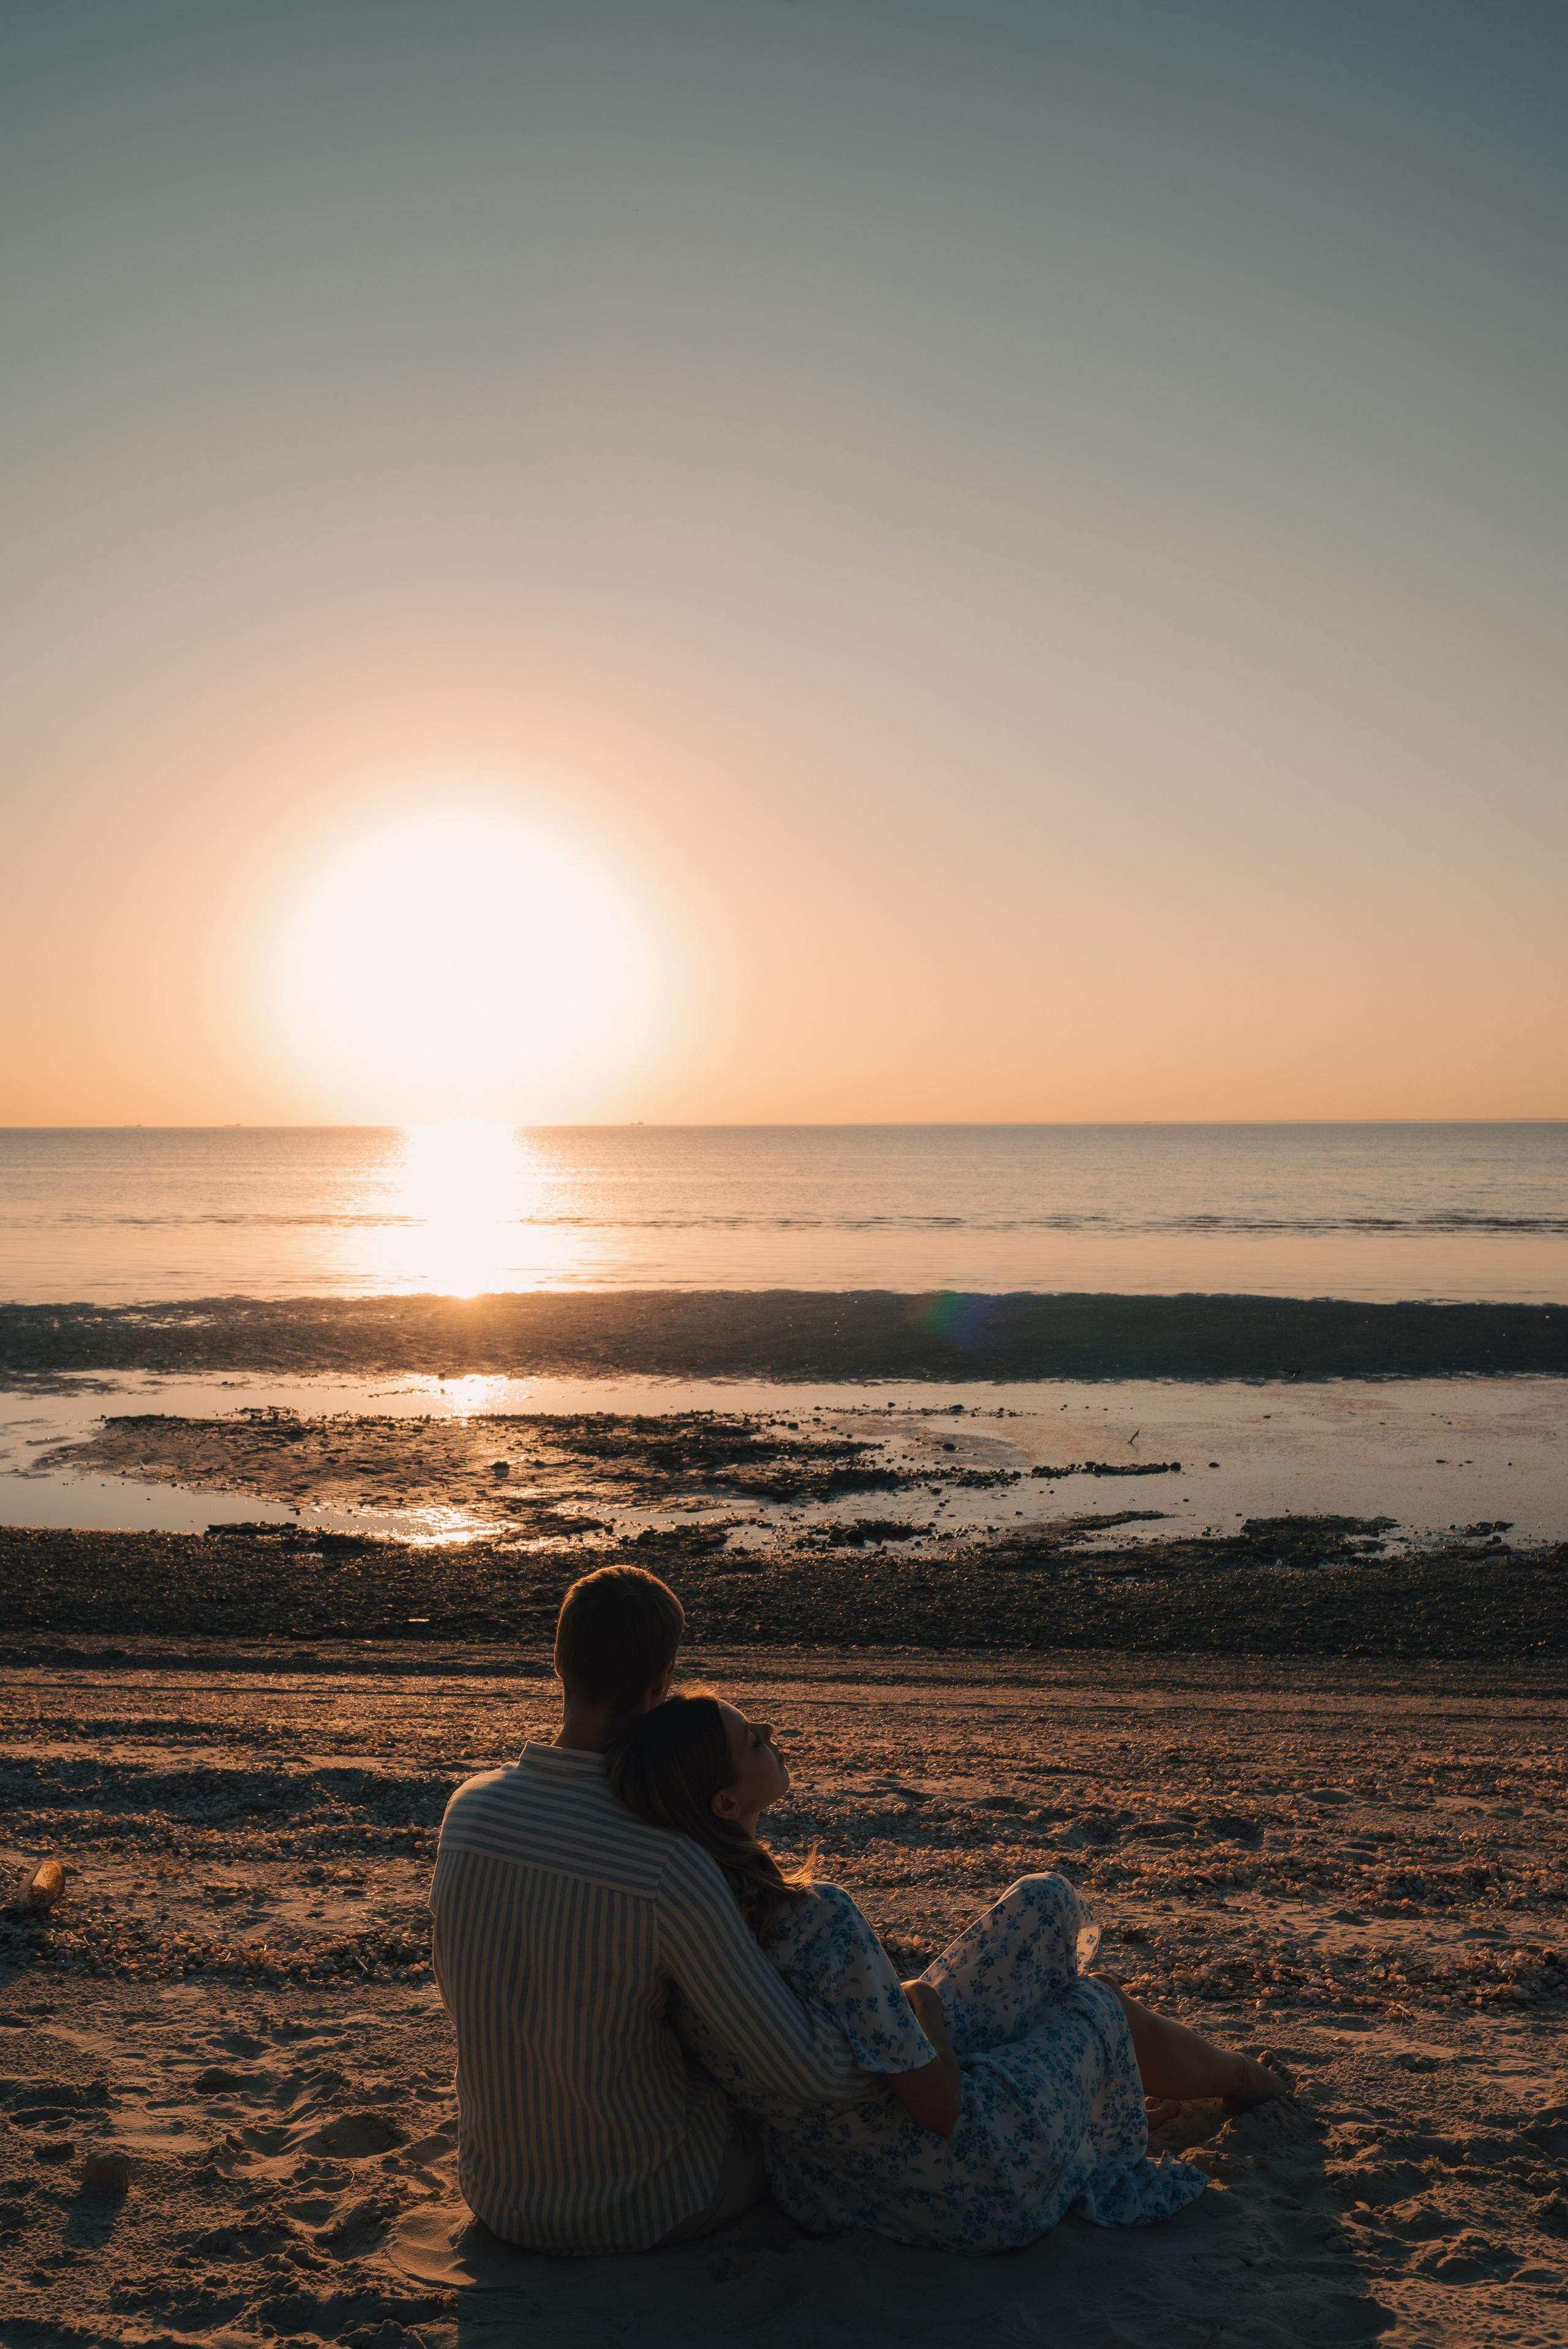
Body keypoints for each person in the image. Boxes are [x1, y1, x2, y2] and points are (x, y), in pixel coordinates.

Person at [609, 1689, 1293, 2253]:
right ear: (724, 1804)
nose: (767, 1727)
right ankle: (1238, 2079)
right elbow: (938, 2107)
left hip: (831, 2179)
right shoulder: (818, 1919)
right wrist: (922, 2007)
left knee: (1044, 1902)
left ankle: (1123, 2074)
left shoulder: (683, 1925)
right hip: (974, 2174)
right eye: (750, 1740)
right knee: (1094, 2001)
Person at [428, 1566, 862, 2255]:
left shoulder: (468, 1811)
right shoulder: (666, 1859)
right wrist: (896, 2044)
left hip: (499, 2191)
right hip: (640, 2200)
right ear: (661, 1684)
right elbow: (803, 2072)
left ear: (559, 1662)